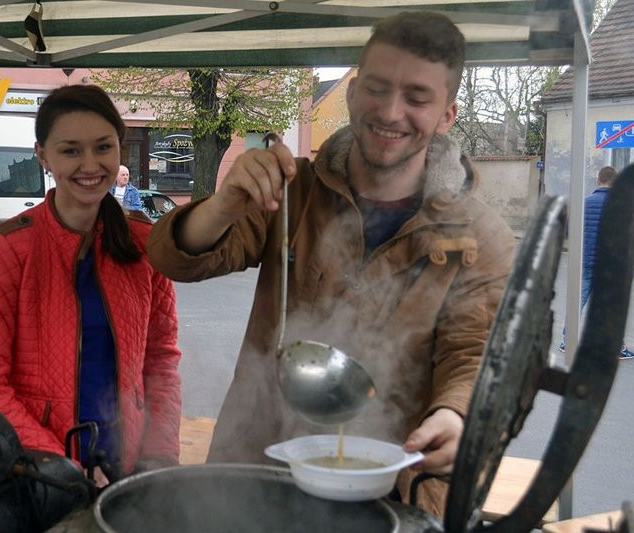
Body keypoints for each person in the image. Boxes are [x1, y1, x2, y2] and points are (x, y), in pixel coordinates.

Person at [147, 11, 515, 516]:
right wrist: (225, 203)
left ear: (447, 114)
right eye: (377, 88)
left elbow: (473, 352)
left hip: (395, 488)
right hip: (259, 467)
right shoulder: (293, 190)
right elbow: (175, 259)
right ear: (352, 90)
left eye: (417, 97)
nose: (390, 112)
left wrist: (456, 413)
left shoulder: (482, 236)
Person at [0, 84, 182, 485]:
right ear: (42, 155)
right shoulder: (9, 248)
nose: (90, 164)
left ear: (119, 149)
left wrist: (158, 455)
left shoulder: (145, 242)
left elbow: (161, 362)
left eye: (102, 147)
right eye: (70, 150)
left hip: (127, 461)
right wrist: (59, 468)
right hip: (36, 468)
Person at [559, 166, 634, 359]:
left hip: (585, 262)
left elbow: (568, 231)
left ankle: (567, 342)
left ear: (598, 180)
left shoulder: (583, 204)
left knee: (578, 302)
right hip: (612, 266)